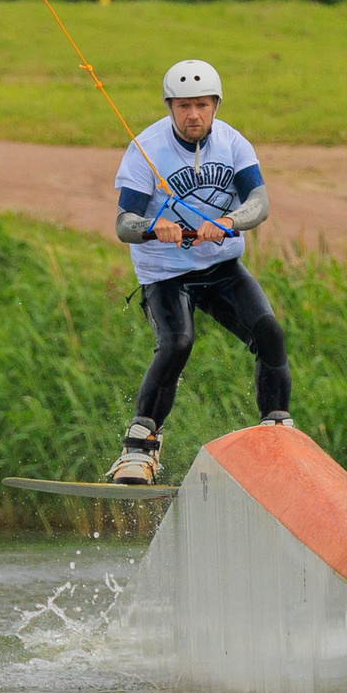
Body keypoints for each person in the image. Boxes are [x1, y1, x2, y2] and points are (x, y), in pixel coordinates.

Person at [106, 60, 292, 485]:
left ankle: (278, 436)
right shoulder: (146, 149)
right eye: (184, 106)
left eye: (202, 105)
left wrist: (229, 221)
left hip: (221, 267)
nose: (194, 115)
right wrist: (153, 226)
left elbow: (259, 203)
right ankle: (138, 451)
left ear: (216, 106)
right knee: (177, 343)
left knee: (269, 333)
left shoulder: (233, 144)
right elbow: (123, 224)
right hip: (165, 273)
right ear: (170, 107)